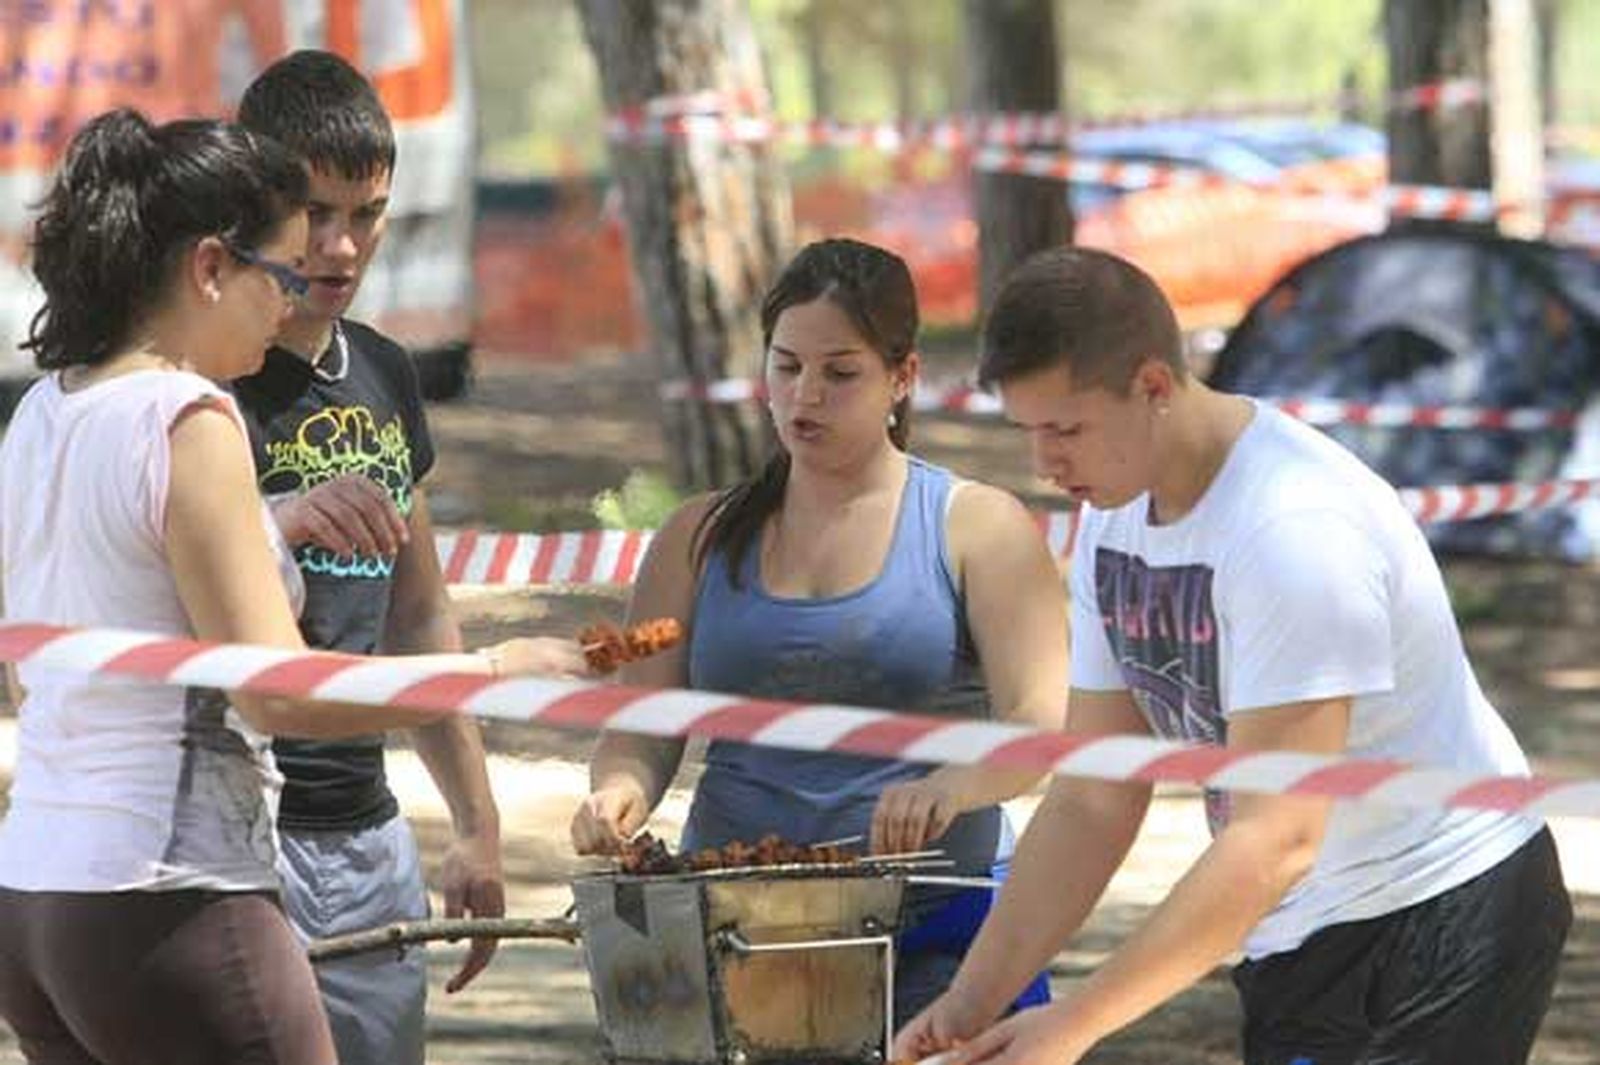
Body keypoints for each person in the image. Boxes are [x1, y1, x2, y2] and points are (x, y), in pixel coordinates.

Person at [0, 109, 585, 1065]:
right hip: (172, 894)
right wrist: (490, 668)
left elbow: (68, 650)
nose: (288, 304)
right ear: (207, 269)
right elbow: (276, 692)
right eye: (276, 275)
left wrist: (268, 529)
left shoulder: (47, 410)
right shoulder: (190, 415)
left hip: (37, 897)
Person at [893, 246, 1573, 1065]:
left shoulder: (1291, 528)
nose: (1044, 463)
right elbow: (1093, 797)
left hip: (1445, 906)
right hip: (1297, 930)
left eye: (1066, 428)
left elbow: (1277, 835)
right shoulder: (1113, 513)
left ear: (1152, 386)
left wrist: (1071, 1026)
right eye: (1028, 431)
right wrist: (968, 1003)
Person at [568, 237, 1069, 1025]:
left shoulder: (977, 527)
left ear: (902, 378)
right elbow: (643, 727)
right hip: (738, 928)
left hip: (936, 927)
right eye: (785, 365)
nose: (805, 395)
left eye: (841, 372)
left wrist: (951, 785)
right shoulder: (696, 537)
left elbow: (1041, 724)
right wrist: (617, 792)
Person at [229, 49, 495, 1065]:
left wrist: (474, 822)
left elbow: (420, 614)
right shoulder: (206, 384)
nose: (342, 246)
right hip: (237, 837)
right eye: (315, 213)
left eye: (368, 214)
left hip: (371, 834)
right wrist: (279, 516)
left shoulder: (383, 370)